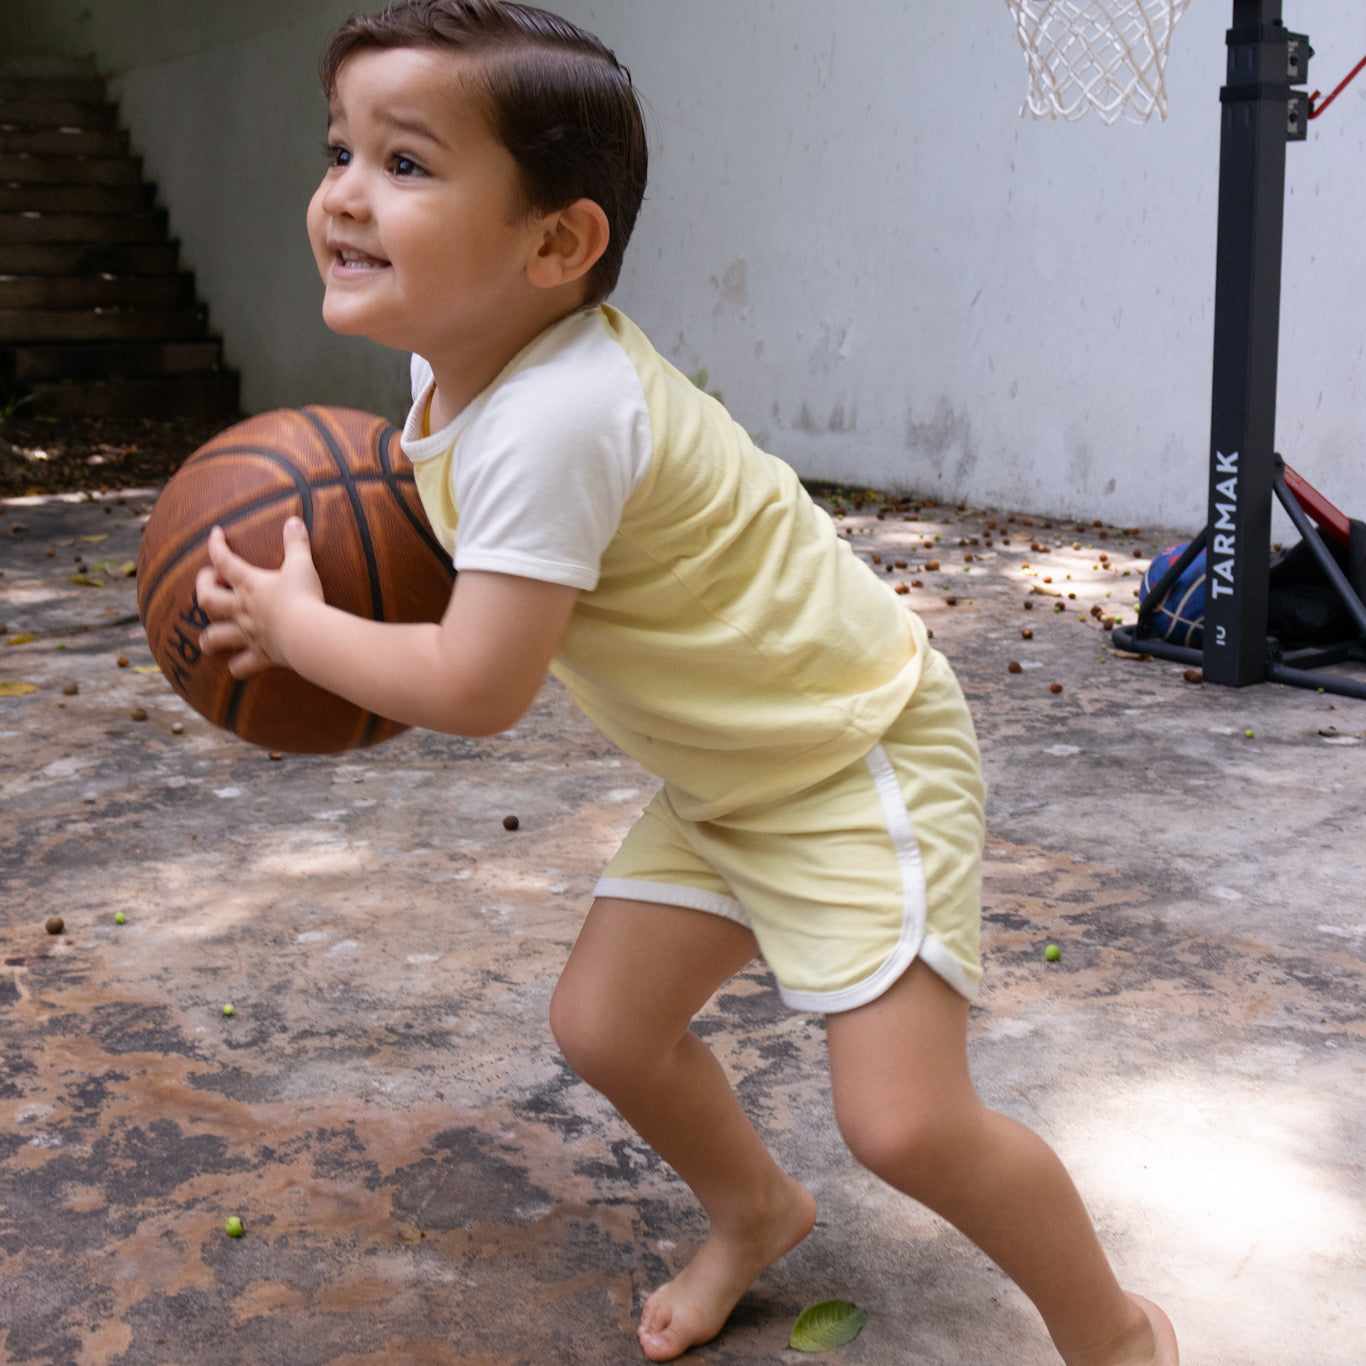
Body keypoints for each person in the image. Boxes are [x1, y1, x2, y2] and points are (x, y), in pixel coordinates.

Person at [195, 3, 1178, 1361]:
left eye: (405, 164)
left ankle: (1117, 1332)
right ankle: (754, 1205)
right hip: (733, 769)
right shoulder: (454, 368)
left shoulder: (557, 414)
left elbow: (479, 685)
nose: (345, 195)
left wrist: (301, 631)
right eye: (339, 151)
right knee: (605, 1025)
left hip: (846, 760)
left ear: (556, 242)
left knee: (903, 1123)